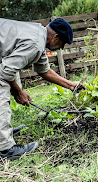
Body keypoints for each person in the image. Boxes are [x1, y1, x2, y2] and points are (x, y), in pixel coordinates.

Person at [0, 17, 80, 160]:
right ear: (55, 37)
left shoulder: (38, 35)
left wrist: (71, 85)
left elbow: (45, 71)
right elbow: (5, 72)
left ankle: (4, 133)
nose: (61, 48)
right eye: (62, 43)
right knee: (2, 88)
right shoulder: (35, 44)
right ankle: (5, 148)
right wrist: (18, 91)